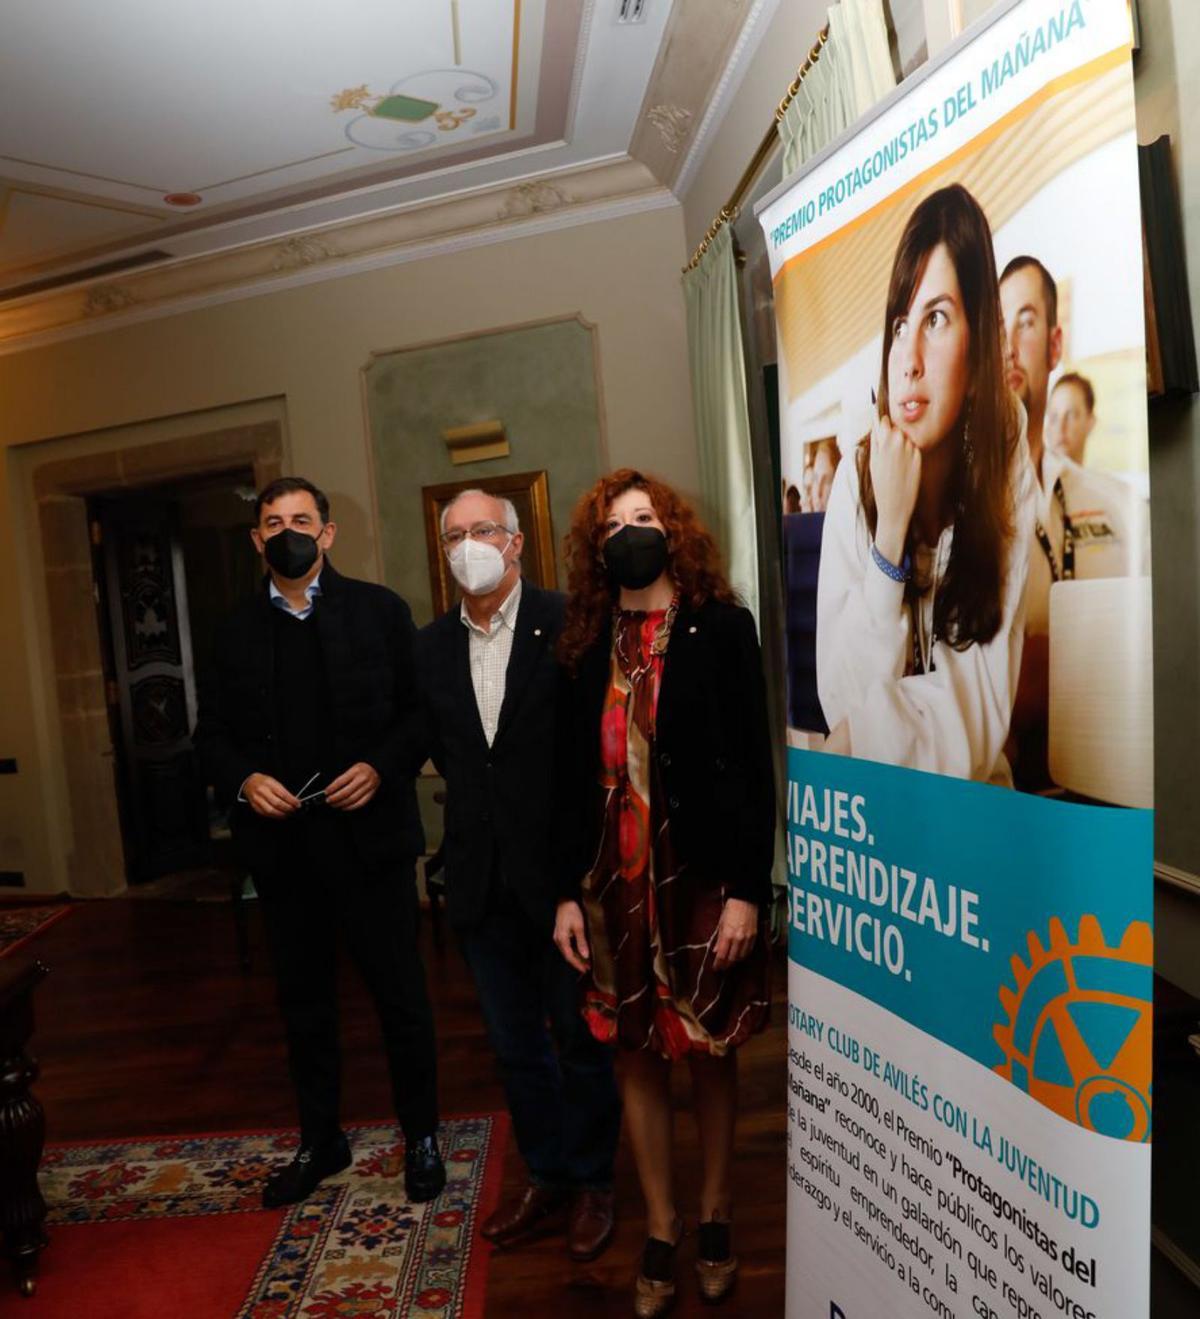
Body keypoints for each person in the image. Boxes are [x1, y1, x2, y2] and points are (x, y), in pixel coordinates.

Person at [553, 469, 774, 1317]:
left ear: (673, 529)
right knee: (637, 1051)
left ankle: (715, 1209)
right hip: (612, 884)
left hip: (702, 877)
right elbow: (565, 781)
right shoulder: (584, 641)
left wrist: (748, 892)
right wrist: (563, 895)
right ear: (596, 548)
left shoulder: (722, 628)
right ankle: (662, 1220)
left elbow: (754, 772)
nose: (629, 533)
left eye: (643, 518)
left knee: (708, 1047)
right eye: (612, 525)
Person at [193, 476, 444, 1208]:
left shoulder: (381, 611)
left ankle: (421, 1135)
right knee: (303, 1005)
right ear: (256, 540)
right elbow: (209, 734)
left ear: (328, 533)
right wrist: (242, 780)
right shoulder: (231, 629)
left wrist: (381, 765)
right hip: (284, 853)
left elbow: (418, 716)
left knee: (401, 999)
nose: (287, 531)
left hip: (373, 845)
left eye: (301, 518)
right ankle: (320, 1138)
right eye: (272, 521)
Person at [408, 489, 621, 1261]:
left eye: (483, 530)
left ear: (516, 540)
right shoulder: (429, 647)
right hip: (477, 882)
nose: (469, 544)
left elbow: (590, 763)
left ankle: (596, 1180)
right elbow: (429, 746)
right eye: (455, 534)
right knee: (511, 1044)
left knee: (578, 1036)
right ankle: (549, 1173)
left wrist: (574, 883)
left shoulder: (570, 624)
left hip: (559, 884)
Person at [816, 184, 1036, 784]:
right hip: (879, 831)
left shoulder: (1006, 471)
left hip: (977, 824)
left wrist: (861, 734)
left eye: (936, 318)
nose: (908, 356)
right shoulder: (855, 478)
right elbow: (840, 695)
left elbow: (977, 725)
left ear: (977, 352)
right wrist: (889, 536)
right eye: (899, 323)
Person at [999, 257, 1150, 789]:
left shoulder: (1116, 505)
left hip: (1104, 793)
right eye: (997, 328)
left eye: (1026, 321)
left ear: (1056, 345)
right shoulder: (959, 509)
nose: (1009, 345)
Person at [1045, 371, 1096, 466]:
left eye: (1071, 415)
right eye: (1054, 417)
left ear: (1090, 422)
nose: (1060, 427)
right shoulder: (1027, 479)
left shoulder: (1100, 480)